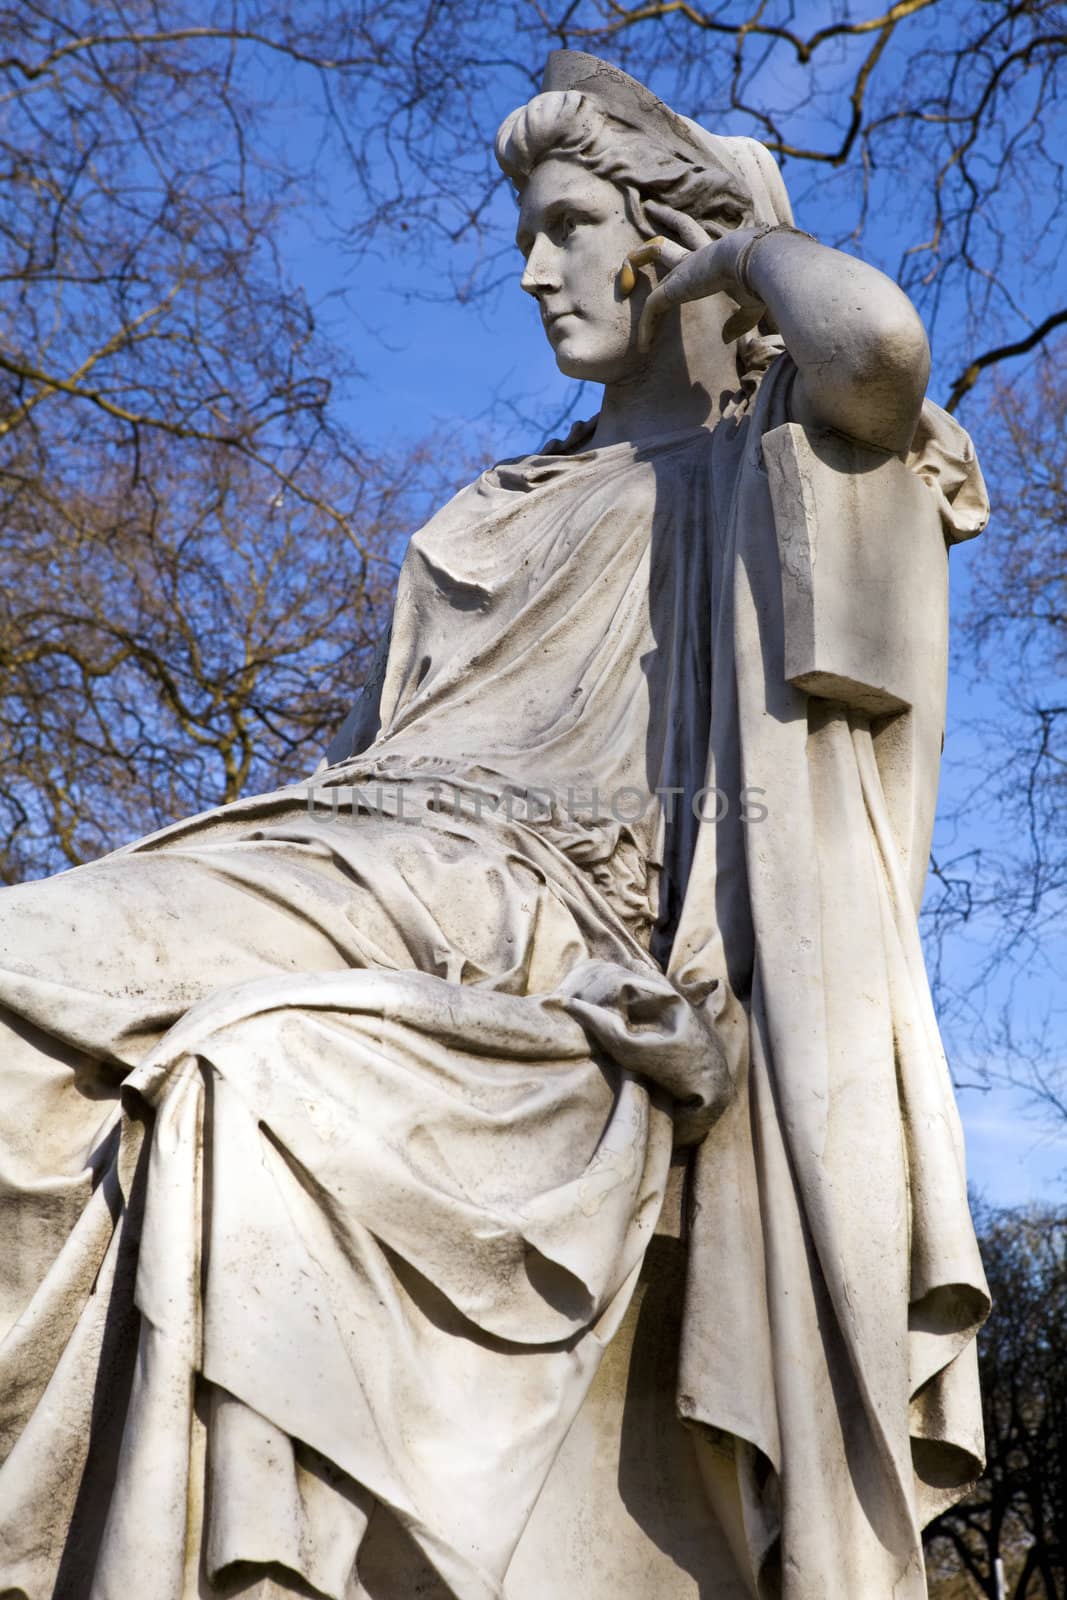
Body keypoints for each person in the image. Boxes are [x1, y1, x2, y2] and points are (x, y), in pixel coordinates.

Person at [0, 50, 989, 1600]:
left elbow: (874, 347)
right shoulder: (481, 512)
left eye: (572, 225)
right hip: (324, 844)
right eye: (528, 233)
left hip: (501, 895)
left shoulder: (765, 467)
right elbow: (364, 757)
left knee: (32, 969)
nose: (534, 271)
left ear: (662, 238)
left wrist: (731, 257)